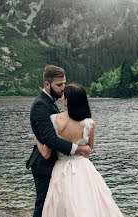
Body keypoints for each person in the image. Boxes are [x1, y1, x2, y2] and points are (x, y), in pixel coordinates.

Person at [36, 83, 124, 217]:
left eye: (64, 96)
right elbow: (89, 150)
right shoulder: (89, 123)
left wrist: (37, 136)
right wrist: (80, 149)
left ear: (66, 101)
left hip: (61, 167)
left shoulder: (54, 120)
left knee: (61, 204)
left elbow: (48, 150)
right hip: (83, 168)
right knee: (89, 203)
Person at [26, 65, 92, 217]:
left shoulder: (49, 102)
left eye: (64, 83)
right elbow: (50, 139)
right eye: (59, 85)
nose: (63, 88)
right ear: (47, 84)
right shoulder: (40, 105)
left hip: (54, 162)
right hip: (43, 163)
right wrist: (79, 149)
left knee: (56, 206)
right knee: (43, 207)